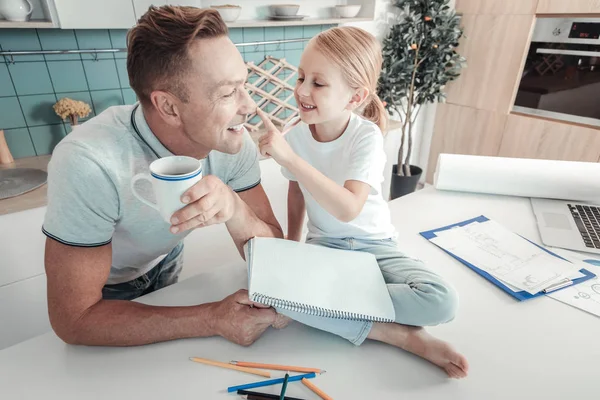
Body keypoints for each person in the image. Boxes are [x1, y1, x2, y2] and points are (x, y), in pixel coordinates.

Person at [42, 6, 288, 347]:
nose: (249, 106)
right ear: (169, 107)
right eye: (228, 92)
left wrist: (236, 209)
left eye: (243, 85)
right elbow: (74, 319)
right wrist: (211, 318)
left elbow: (281, 259)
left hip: (166, 261)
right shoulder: (87, 162)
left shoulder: (233, 140)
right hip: (109, 289)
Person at [257, 26, 469, 378]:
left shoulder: (366, 137)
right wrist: (291, 246)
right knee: (275, 295)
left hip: (376, 246)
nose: (302, 90)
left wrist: (290, 159)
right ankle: (393, 334)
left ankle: (344, 307)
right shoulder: (294, 136)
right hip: (325, 246)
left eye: (318, 83)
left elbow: (348, 207)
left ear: (355, 98)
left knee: (442, 301)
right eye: (301, 77)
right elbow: (297, 192)